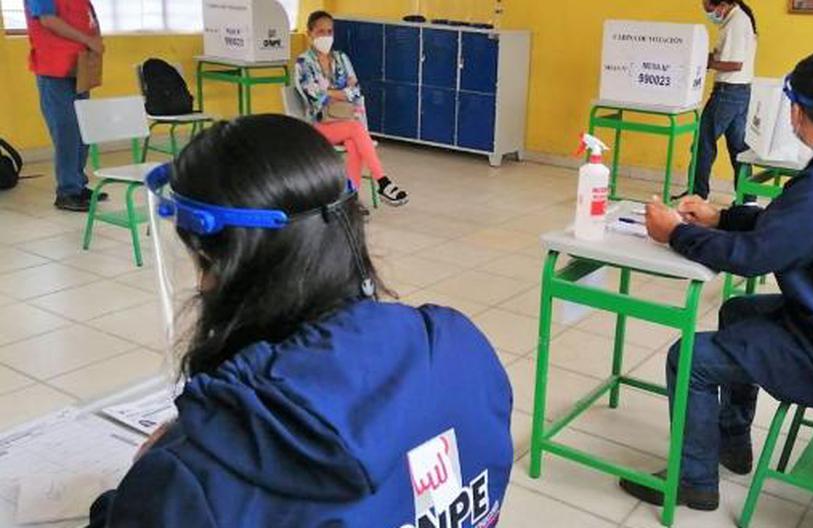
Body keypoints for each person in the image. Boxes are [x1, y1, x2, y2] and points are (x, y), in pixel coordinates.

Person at [87, 115, 513, 527]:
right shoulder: (462, 350)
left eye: (202, 263)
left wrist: (143, 484)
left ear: (225, 266)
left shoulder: (195, 476)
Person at [622, 50, 813, 511]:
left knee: (690, 357)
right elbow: (798, 225)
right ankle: (732, 440)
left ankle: (692, 482)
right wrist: (721, 216)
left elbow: (755, 258)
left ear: (798, 111)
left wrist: (676, 233)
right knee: (737, 311)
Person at [296, 10, 409, 206]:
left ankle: (350, 200)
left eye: (329, 31)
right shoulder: (304, 62)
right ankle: (383, 181)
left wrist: (330, 91)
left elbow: (355, 91)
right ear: (310, 33)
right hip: (318, 124)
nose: (326, 36)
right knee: (356, 129)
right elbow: (315, 95)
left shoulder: (341, 58)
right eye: (321, 31)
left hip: (344, 122)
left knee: (353, 141)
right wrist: (340, 92)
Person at [25, 0, 108, 211]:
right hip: (54, 68)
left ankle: (78, 184)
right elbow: (48, 20)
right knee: (66, 129)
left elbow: (89, 18)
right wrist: (88, 40)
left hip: (80, 66)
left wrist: (96, 39)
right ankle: (67, 191)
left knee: (83, 128)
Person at [683, 0, 758, 201]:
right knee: (739, 149)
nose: (709, 13)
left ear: (722, 4)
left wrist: (706, 63)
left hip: (728, 92)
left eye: (709, 9)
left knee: (703, 144)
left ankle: (698, 195)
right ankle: (747, 199)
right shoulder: (740, 18)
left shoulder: (736, 22)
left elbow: (734, 64)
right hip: (741, 92)